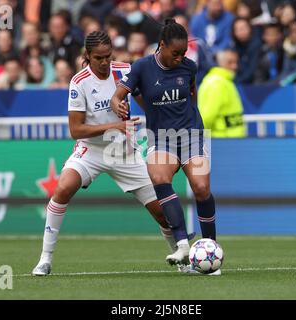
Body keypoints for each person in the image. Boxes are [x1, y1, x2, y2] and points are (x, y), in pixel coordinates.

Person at [31, 31, 177, 276]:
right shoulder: (79, 81)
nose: (104, 62)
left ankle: (181, 257)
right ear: (87, 56)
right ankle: (45, 259)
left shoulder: (125, 71)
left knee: (162, 214)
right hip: (91, 150)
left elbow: (146, 101)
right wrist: (114, 125)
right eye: (98, 57)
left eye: (108, 56)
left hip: (124, 152)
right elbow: (76, 130)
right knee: (62, 188)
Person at [111, 19, 221, 275]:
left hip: (192, 133)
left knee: (202, 189)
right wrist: (119, 104)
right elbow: (119, 94)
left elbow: (192, 97)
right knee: (159, 176)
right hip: (161, 137)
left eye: (183, 53)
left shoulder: (189, 67)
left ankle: (211, 249)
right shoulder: (142, 67)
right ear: (161, 46)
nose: (180, 57)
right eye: (175, 53)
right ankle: (182, 244)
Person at [198, 49, 246, 138]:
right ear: (220, 63)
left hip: (230, 141)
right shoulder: (216, 83)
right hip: (221, 141)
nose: (235, 66)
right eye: (230, 62)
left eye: (236, 62)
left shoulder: (225, 81)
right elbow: (206, 117)